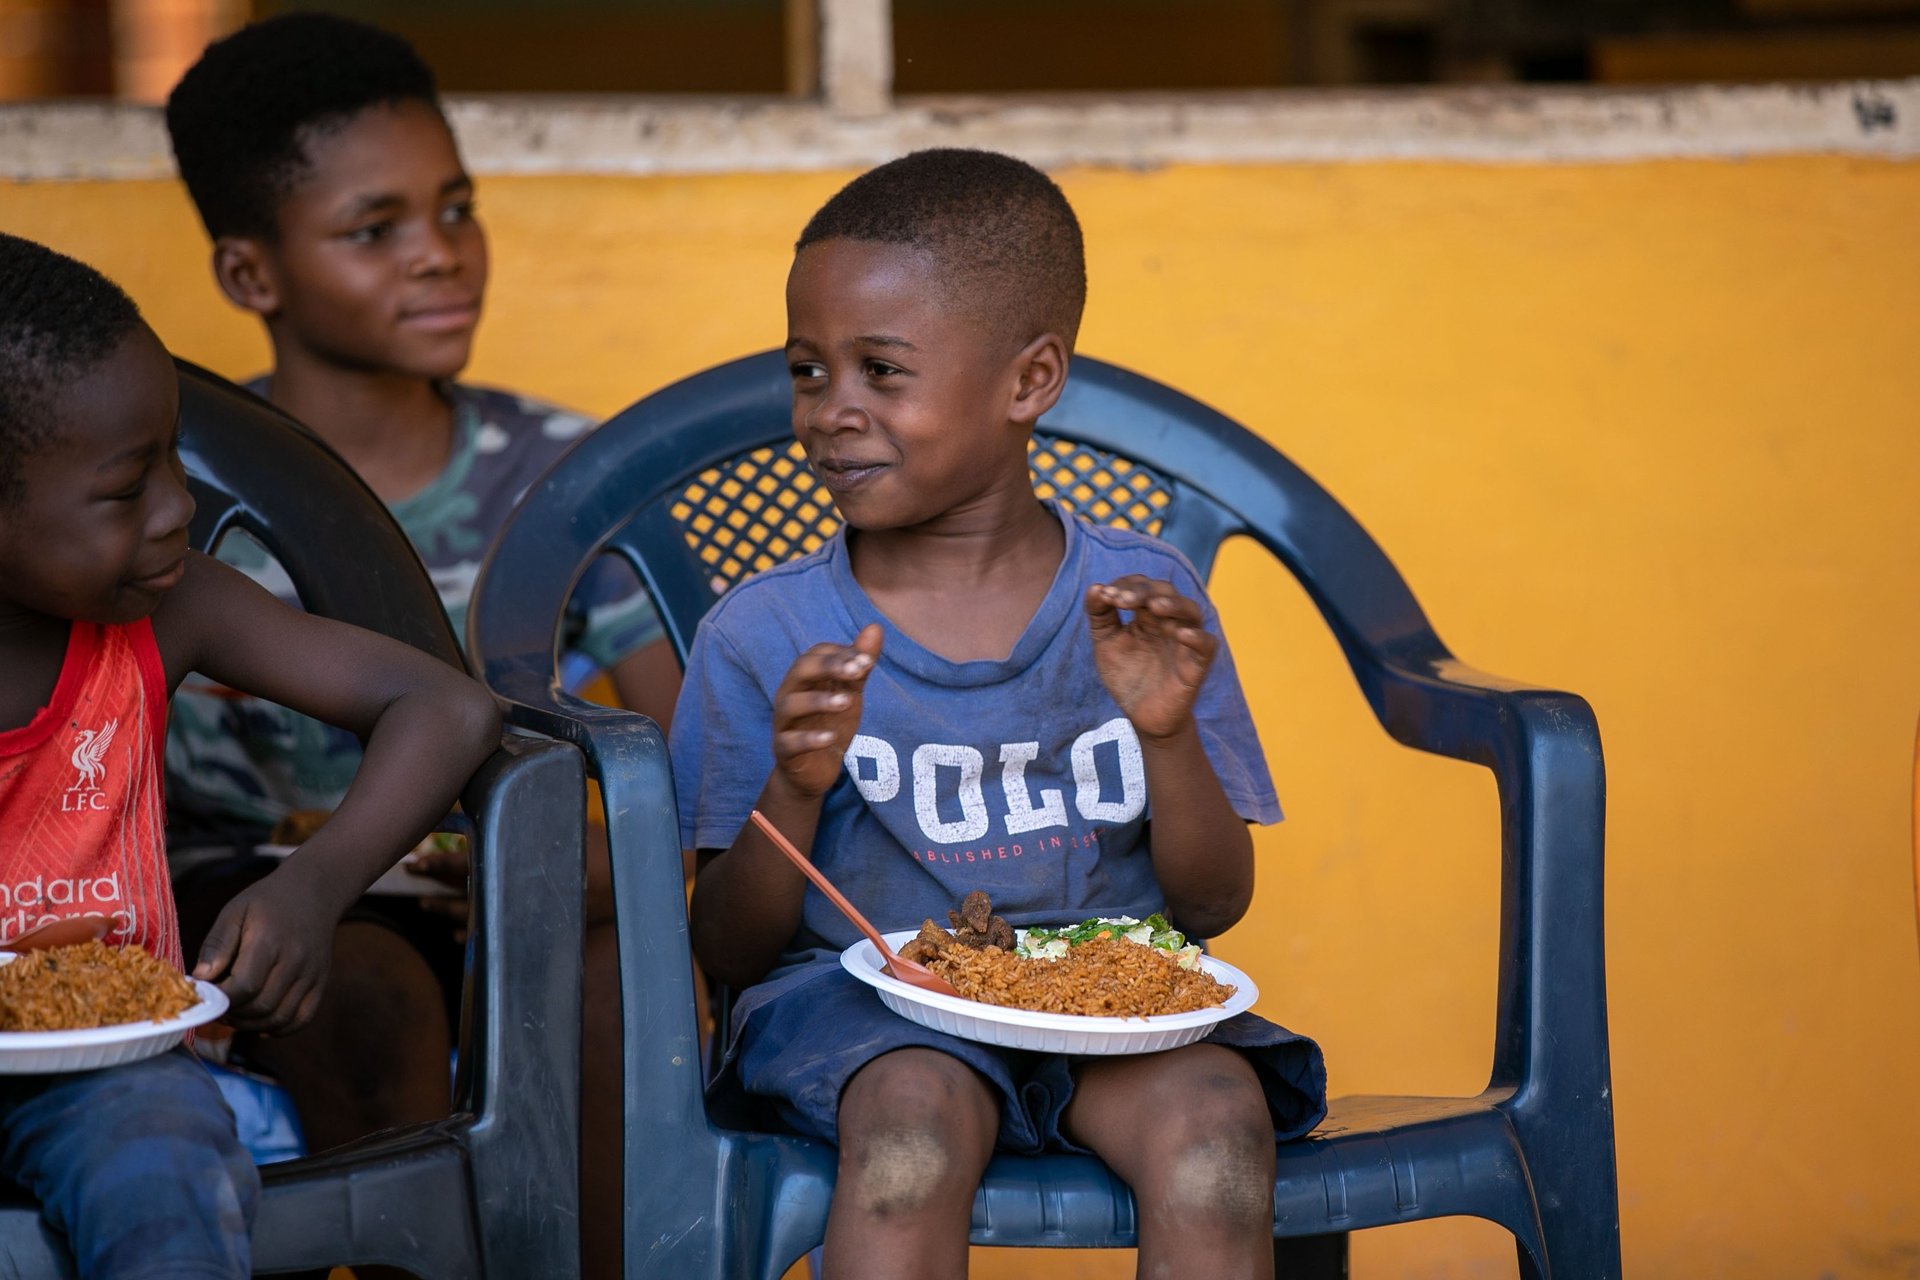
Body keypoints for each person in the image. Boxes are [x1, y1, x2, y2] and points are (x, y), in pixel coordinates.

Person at [674, 149, 1328, 1279]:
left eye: (880, 370)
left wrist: (1168, 735)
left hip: (1110, 1006)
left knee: (1221, 1132)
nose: (832, 412)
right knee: (912, 1136)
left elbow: (1212, 904)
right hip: (864, 1021)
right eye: (807, 371)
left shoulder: (1137, 608)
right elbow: (725, 944)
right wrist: (792, 782)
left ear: (1028, 383)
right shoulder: (765, 637)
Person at [162, 17, 664, 1270]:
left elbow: (684, 752)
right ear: (250, 274)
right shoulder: (174, 490)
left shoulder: (561, 473)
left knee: (616, 977)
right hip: (268, 895)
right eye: (374, 229)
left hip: (516, 881)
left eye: (458, 207)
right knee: (372, 995)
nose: (442, 257)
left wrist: (619, 861)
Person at [0, 233, 500, 1279]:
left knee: (164, 1172)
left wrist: (314, 884)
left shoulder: (164, 613)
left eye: (172, 459)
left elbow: (443, 706)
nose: (179, 507)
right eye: (125, 488)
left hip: (107, 1070)